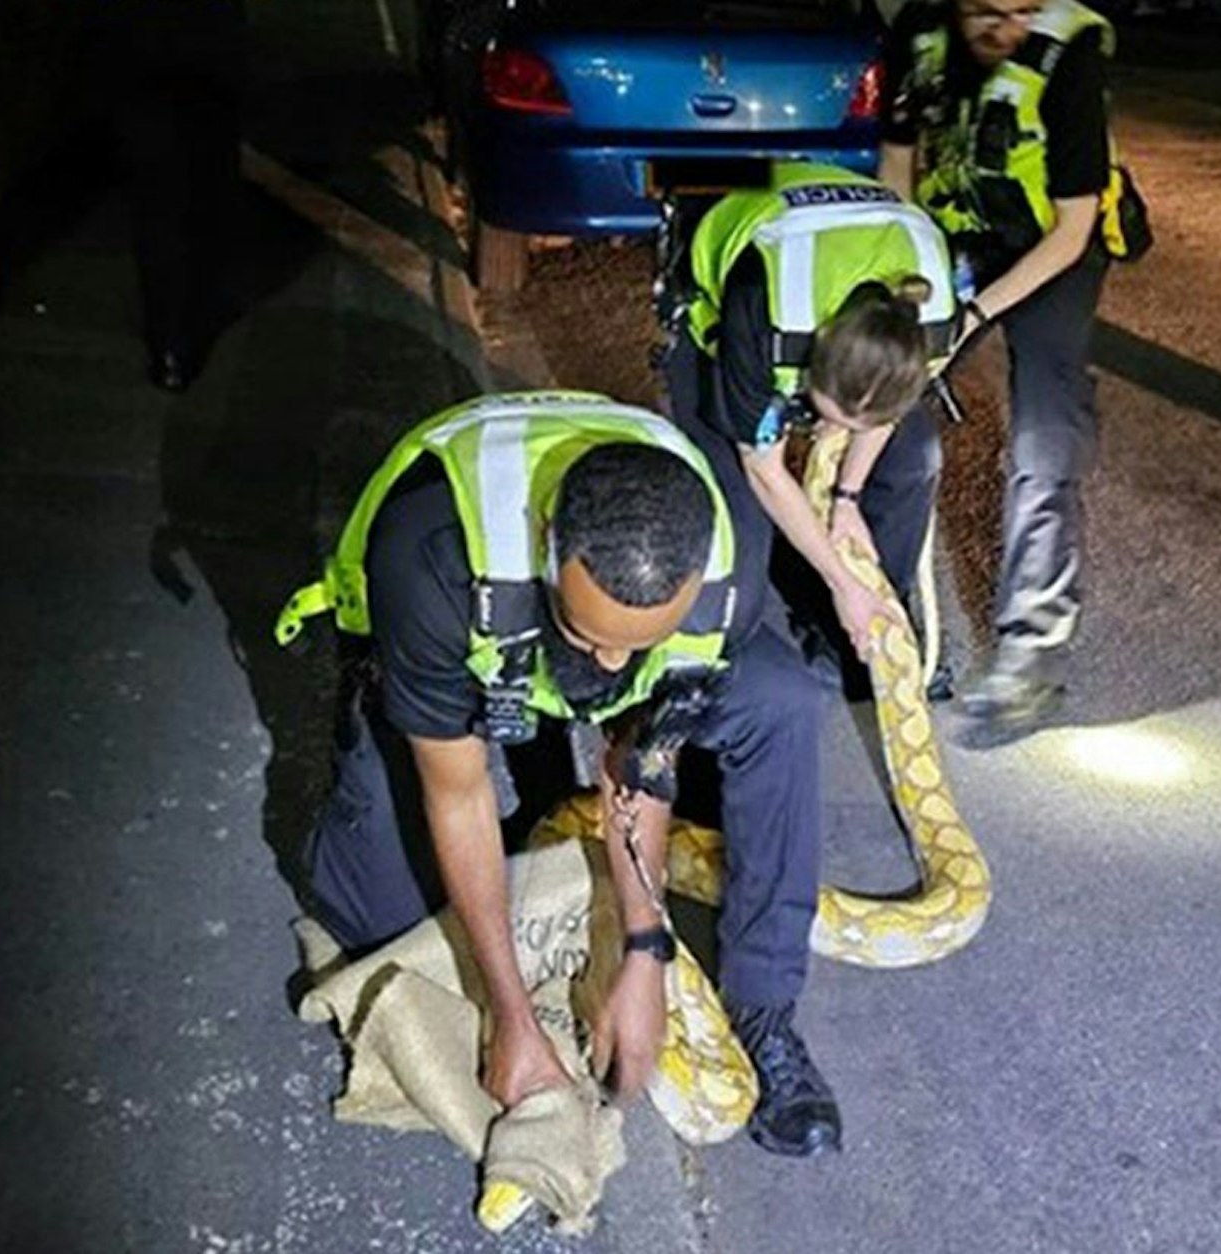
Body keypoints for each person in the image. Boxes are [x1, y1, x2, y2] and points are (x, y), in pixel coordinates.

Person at [275, 391, 843, 1158]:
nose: (614, 664)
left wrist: (645, 950)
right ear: (547, 547)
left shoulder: (732, 565)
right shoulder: (433, 555)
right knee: (382, 921)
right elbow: (458, 790)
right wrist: (509, 1014)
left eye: (640, 643)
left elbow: (641, 756)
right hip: (457, 646)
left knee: (783, 699)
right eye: (591, 634)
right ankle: (452, 826)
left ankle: (766, 1012)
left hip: (554, 631)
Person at [879, 0, 1119, 740]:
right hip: (960, 238)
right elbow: (898, 165)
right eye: (986, 11)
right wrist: (907, 290)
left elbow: (1074, 225)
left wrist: (975, 317)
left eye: (1023, 10)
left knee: (1045, 441)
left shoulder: (1070, 49)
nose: (1004, 28)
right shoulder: (918, 36)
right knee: (887, 406)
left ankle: (1031, 657)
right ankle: (889, 629)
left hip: (1052, 248)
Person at [660, 162, 958, 689]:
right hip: (723, 305)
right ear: (812, 357)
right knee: (740, 530)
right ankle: (730, 642)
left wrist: (847, 499)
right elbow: (765, 468)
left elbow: (882, 413)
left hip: (852, 249)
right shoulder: (768, 299)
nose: (828, 428)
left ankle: (866, 621)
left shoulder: (929, 316)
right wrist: (840, 579)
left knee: (917, 455)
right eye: (826, 413)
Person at [94, 0, 248, 392]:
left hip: (138, 46)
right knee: (205, 180)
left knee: (156, 198)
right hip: (204, 48)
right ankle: (191, 317)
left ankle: (168, 342)